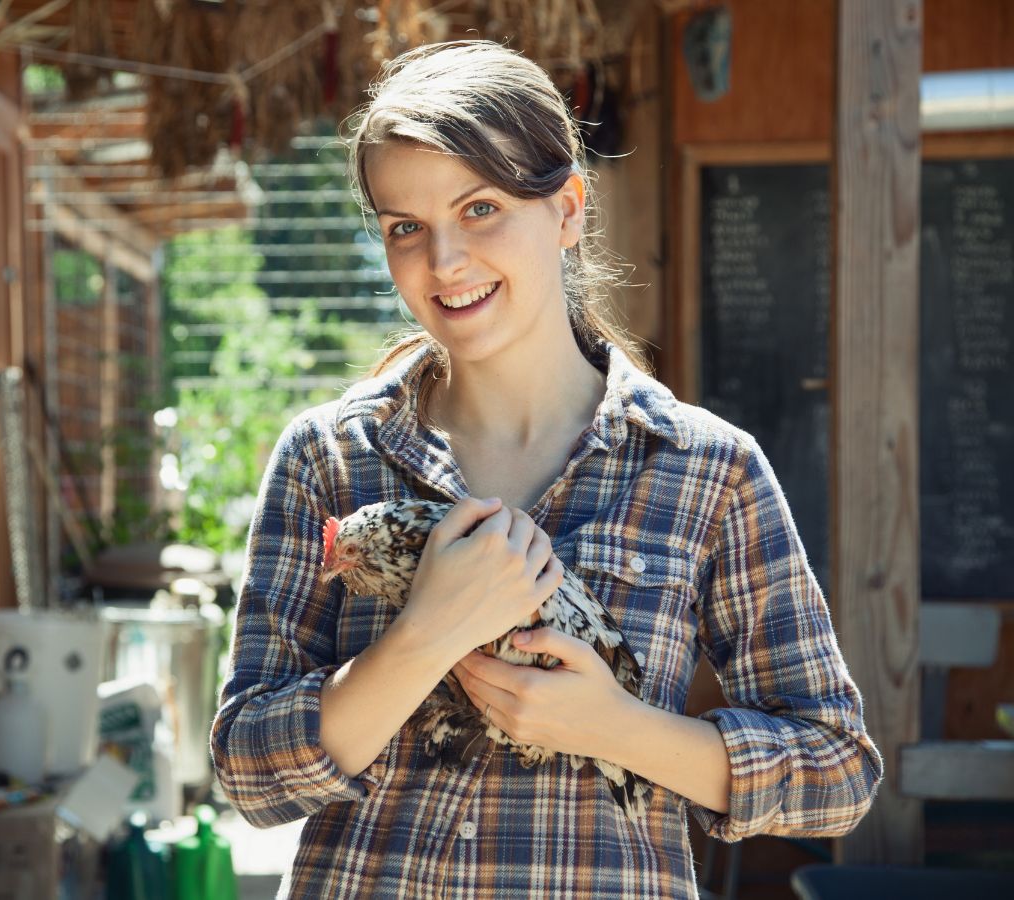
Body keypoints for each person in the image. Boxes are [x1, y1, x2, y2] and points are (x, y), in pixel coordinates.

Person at [210, 40, 882, 898]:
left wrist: (615, 727)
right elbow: (246, 774)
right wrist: (421, 639)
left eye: (481, 208)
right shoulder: (330, 458)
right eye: (405, 228)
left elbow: (837, 772)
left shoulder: (705, 469)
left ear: (567, 210)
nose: (443, 261)